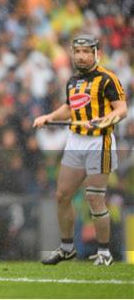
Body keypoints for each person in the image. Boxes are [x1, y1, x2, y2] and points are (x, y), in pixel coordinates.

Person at [33, 34, 127, 266]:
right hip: (76, 141)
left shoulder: (108, 79)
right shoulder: (73, 81)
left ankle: (104, 253)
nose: (82, 56)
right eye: (78, 51)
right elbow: (69, 107)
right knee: (62, 195)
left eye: (87, 51)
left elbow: (121, 109)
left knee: (94, 198)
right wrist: (49, 117)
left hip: (100, 142)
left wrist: (103, 121)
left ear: (96, 53)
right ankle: (66, 248)